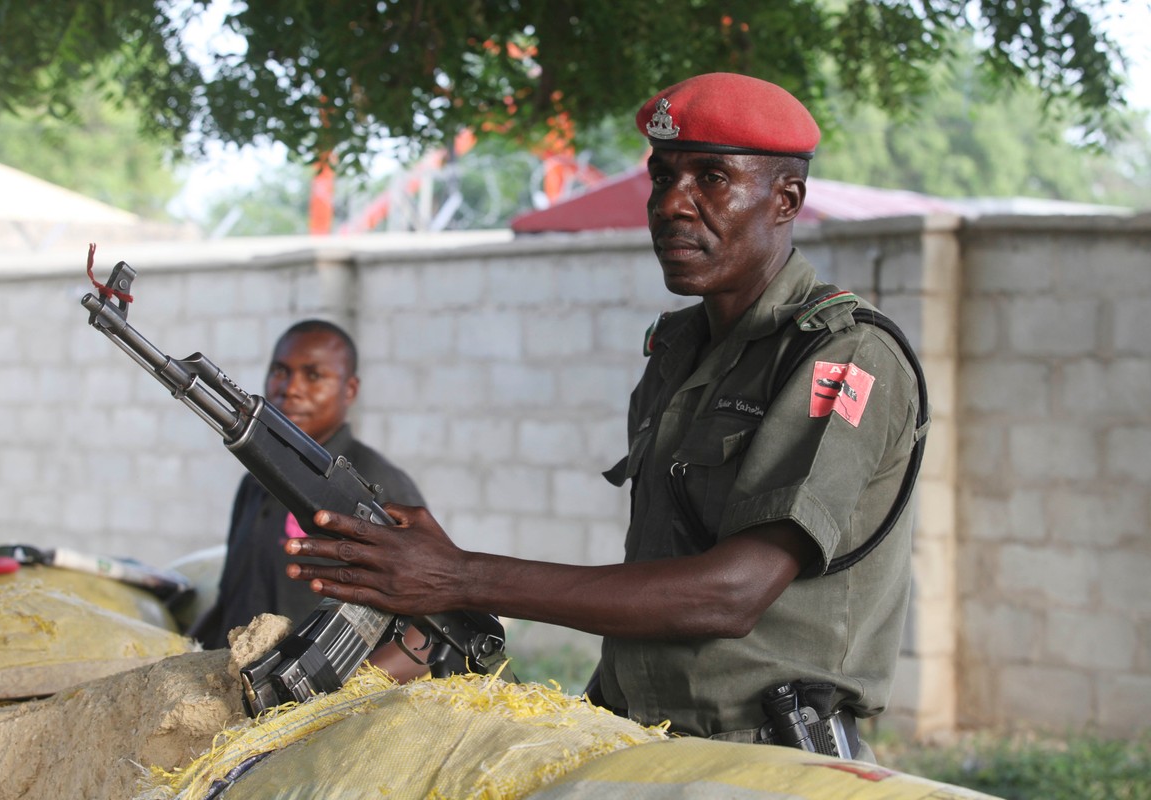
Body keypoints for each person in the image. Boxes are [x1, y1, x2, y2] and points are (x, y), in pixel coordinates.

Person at [280, 74, 927, 758]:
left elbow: (732, 594)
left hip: (765, 759)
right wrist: (440, 573)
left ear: (785, 199)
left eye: (711, 178)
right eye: (662, 177)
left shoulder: (847, 355)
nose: (673, 204)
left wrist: (459, 575)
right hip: (639, 741)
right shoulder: (679, 348)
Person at [191, 319, 428, 679]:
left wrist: (325, 699)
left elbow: (424, 630)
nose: (291, 389)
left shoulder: (377, 487)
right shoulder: (255, 482)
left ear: (349, 390)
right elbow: (230, 601)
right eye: (280, 372)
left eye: (313, 376)